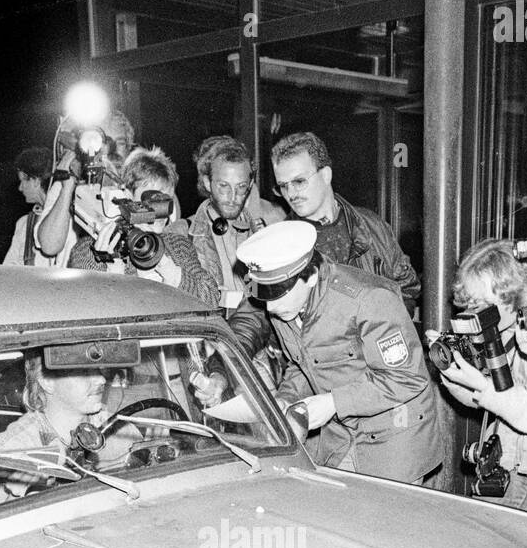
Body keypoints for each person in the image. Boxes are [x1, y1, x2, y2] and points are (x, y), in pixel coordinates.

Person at [235, 221, 441, 484]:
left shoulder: (369, 300)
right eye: (262, 292)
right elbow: (302, 364)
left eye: (276, 291)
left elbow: (406, 378)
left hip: (395, 437)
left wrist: (333, 403)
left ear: (309, 275)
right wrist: (286, 397)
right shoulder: (284, 305)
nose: (271, 306)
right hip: (341, 435)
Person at [433, 238, 527, 521]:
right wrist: (453, 374)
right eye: (470, 303)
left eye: (483, 303)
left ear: (513, 293)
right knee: (484, 542)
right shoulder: (502, 328)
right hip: (505, 458)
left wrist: (481, 386)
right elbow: (482, 401)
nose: (474, 312)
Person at [0, 357, 142, 514]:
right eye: (84, 371)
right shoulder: (12, 450)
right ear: (47, 381)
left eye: (98, 369)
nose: (100, 379)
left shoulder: (118, 429)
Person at [270, 131, 420, 312]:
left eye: (299, 181)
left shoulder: (372, 225)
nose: (291, 194)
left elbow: (407, 289)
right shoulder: (278, 244)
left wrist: (384, 327)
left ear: (326, 175)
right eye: (283, 186)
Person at [68, 146, 220, 306]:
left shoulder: (178, 246)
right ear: (127, 196)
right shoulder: (90, 251)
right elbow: (86, 307)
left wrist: (166, 266)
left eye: (166, 200)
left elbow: (212, 298)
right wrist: (114, 273)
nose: (161, 211)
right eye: (152, 199)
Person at [187, 136, 283, 307]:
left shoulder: (263, 232)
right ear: (208, 183)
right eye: (223, 186)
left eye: (240, 187)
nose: (232, 197)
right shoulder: (183, 233)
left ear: (250, 184)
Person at [35, 109, 135, 267]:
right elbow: (49, 245)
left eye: (121, 142)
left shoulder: (138, 185)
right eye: (106, 141)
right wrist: (69, 187)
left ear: (129, 149)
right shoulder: (69, 184)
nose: (113, 149)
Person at [2, 147, 54, 267]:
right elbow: (8, 270)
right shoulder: (24, 223)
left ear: (36, 181)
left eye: (23, 181)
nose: (20, 188)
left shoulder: (69, 219)